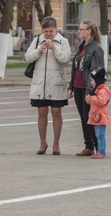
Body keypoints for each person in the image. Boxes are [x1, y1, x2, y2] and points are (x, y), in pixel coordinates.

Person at [25, 17, 71, 156]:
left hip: (56, 82)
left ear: (56, 28)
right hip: (40, 83)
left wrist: (55, 49)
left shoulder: (63, 41)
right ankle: (42, 142)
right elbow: (27, 57)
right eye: (46, 31)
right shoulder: (38, 40)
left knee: (56, 112)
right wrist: (39, 50)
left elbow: (66, 59)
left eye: (51, 31)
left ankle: (56, 143)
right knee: (41, 111)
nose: (48, 34)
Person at [67, 19, 104, 156]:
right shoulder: (82, 46)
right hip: (78, 86)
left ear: (89, 31)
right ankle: (88, 146)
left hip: (88, 89)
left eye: (81, 29)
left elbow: (97, 71)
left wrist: (90, 91)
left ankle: (98, 146)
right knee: (83, 118)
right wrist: (71, 86)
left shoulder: (96, 48)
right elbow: (76, 68)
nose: (79, 31)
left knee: (90, 117)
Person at [85, 67, 111, 159]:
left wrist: (92, 98)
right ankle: (99, 151)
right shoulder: (97, 90)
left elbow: (102, 101)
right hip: (96, 116)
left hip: (101, 117)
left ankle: (102, 151)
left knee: (100, 135)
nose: (91, 83)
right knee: (97, 135)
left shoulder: (102, 90)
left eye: (92, 80)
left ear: (98, 80)